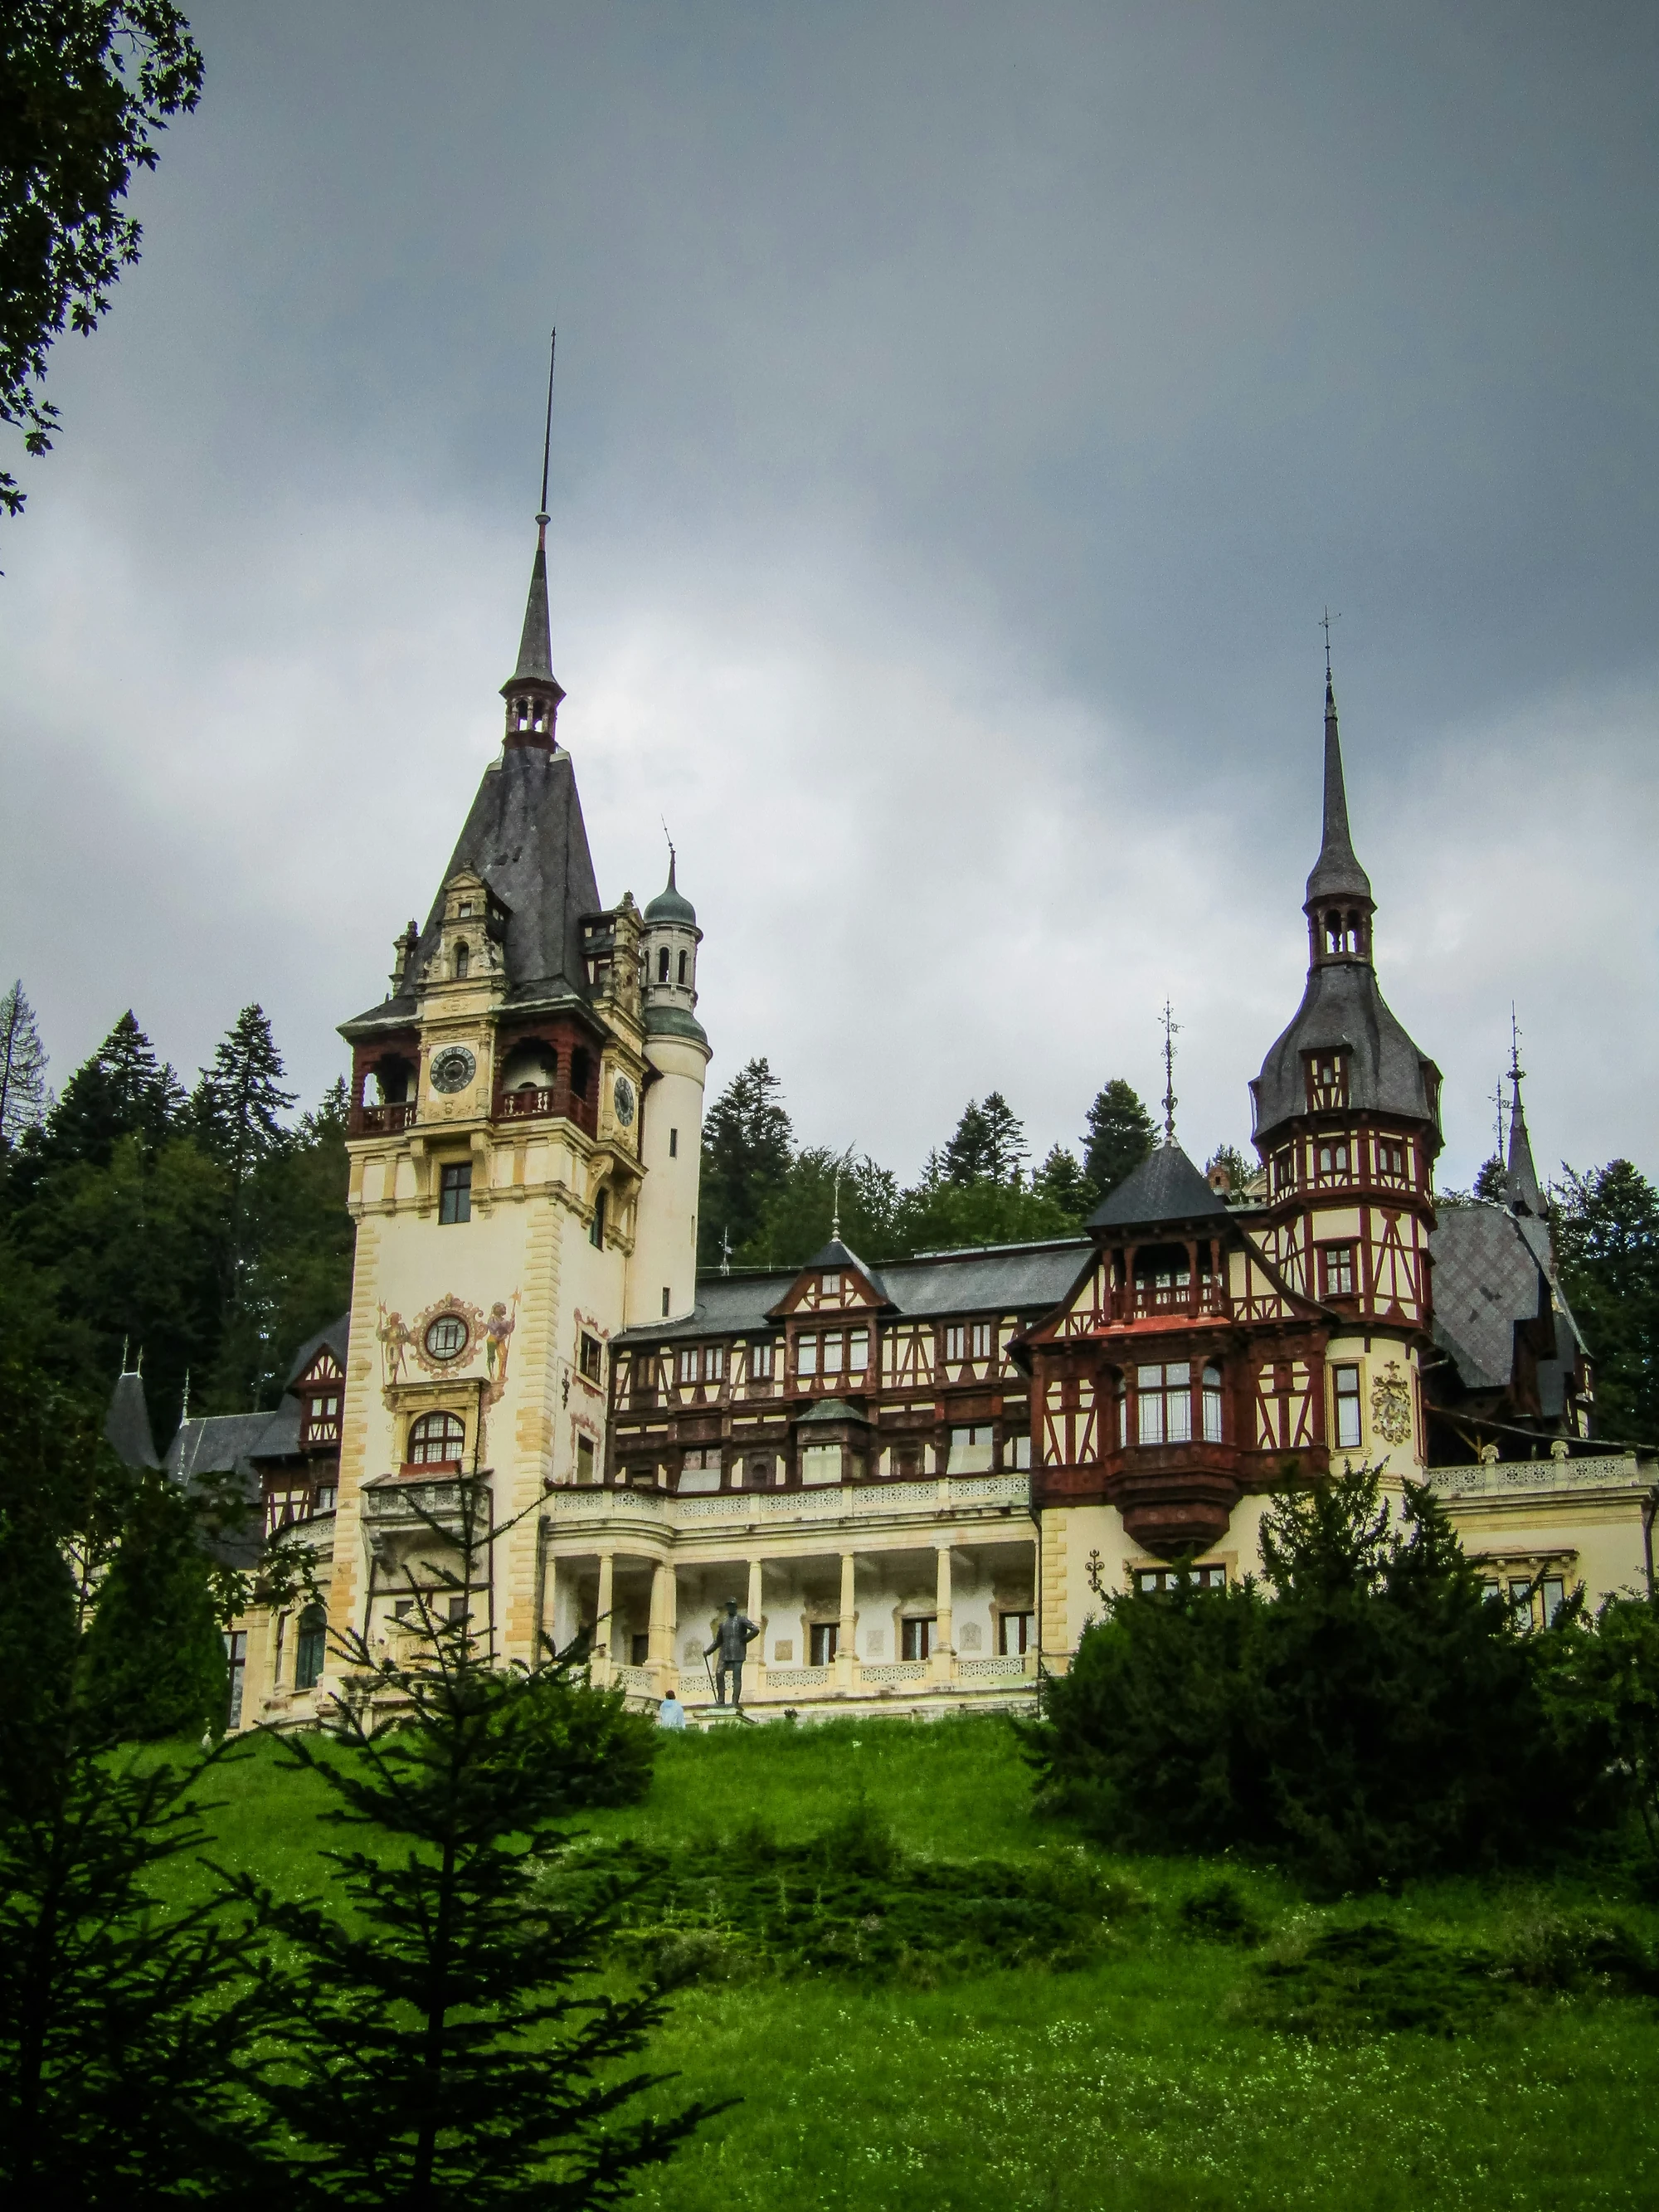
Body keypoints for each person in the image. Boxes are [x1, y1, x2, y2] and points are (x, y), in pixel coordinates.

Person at [705, 1596, 761, 1708]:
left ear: (735, 1607)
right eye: (728, 1606)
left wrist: (745, 1639)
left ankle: (735, 1701)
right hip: (724, 1653)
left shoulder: (741, 1619)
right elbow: (718, 1641)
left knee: (736, 1677)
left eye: (732, 1606)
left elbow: (755, 1629)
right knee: (719, 1673)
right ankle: (721, 1699)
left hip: (738, 1653)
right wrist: (708, 1651)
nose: (730, 1608)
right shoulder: (723, 1623)